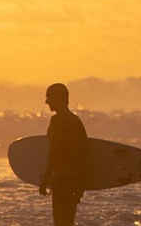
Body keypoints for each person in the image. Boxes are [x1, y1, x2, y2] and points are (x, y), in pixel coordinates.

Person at [40, 83, 88, 226]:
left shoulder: (57, 121)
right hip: (73, 180)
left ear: (58, 98)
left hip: (61, 180)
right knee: (68, 221)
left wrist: (46, 178)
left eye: (49, 97)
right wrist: (81, 184)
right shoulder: (76, 121)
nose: (46, 102)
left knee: (60, 222)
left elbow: (54, 152)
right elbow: (84, 153)